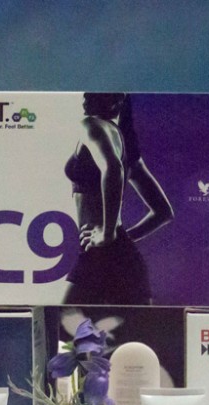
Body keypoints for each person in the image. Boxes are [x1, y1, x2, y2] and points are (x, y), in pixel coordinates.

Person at [63, 92, 173, 305]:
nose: (86, 97)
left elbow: (113, 168)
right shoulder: (128, 153)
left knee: (63, 322)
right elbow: (163, 212)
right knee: (131, 326)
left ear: (118, 101)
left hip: (101, 253)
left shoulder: (91, 125)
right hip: (119, 256)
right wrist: (120, 238)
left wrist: (108, 233)